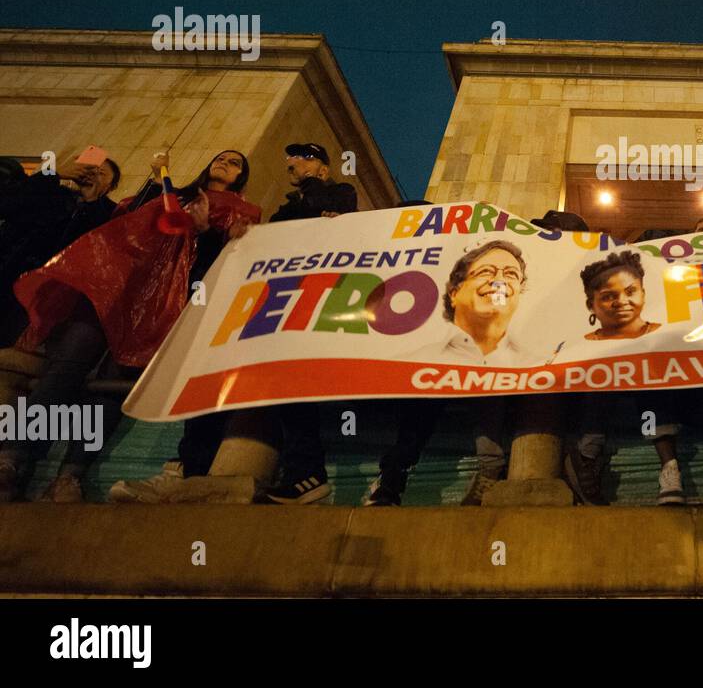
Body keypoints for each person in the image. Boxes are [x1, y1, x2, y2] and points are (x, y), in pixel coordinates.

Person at [1, 149, 260, 503]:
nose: (224, 163)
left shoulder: (242, 212)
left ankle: (70, 476)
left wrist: (205, 233)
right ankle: (14, 458)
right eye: (220, 157)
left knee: (110, 386)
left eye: (234, 163)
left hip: (161, 305)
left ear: (241, 179)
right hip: (113, 291)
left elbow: (221, 268)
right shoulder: (166, 193)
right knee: (65, 370)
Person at [365, 239, 542, 506]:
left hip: (504, 377)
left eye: (511, 275)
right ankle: (393, 476)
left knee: (492, 377)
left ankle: (490, 470)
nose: (498, 282)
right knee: (423, 394)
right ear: (454, 292)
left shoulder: (536, 360)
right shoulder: (417, 358)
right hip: (430, 375)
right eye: (485, 272)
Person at [256, 143, 359, 504]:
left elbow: (335, 211)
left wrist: (315, 186)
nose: (295, 164)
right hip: (282, 298)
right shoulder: (288, 207)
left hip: (319, 296)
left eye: (307, 159)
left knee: (299, 382)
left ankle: (307, 474)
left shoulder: (341, 191)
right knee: (282, 383)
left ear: (325, 168)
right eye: (293, 160)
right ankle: (299, 473)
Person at [557, 249, 662, 505]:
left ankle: (668, 466)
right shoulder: (579, 344)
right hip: (597, 391)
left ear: (644, 294)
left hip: (652, 408)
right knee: (601, 369)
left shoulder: (663, 335)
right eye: (608, 296)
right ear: (590, 305)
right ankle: (587, 456)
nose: (621, 301)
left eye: (630, 291)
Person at [0, 152, 121, 346]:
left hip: (43, 294)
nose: (92, 175)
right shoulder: (51, 192)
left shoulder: (107, 214)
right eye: (89, 168)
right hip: (10, 272)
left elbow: (90, 249)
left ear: (110, 186)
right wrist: (52, 173)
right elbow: (10, 203)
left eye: (101, 174)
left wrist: (91, 204)